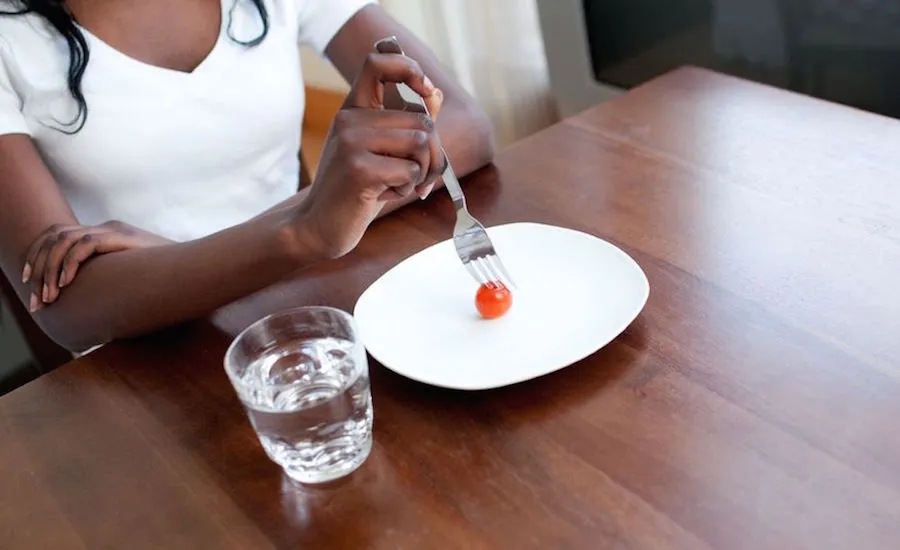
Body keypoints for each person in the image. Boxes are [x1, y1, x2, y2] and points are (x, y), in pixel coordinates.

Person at [0, 0, 494, 353]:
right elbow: (68, 306)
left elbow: (462, 130)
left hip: (302, 304)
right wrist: (304, 230)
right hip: (148, 361)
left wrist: (307, 223)